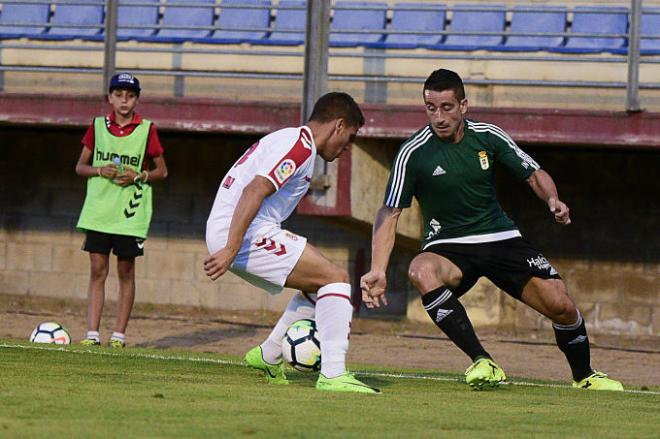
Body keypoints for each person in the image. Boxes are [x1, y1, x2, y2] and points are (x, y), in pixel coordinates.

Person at [360, 69, 623, 391]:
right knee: (420, 269)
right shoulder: (412, 152)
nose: (439, 116)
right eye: (431, 108)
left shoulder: (488, 135)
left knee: (562, 306)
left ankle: (585, 376)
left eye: (447, 107)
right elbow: (390, 212)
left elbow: (532, 173)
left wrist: (552, 199)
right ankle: (482, 360)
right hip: (448, 245)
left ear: (463, 106)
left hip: (500, 238)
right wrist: (378, 269)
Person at [204, 92, 379, 394]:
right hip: (242, 232)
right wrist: (231, 247)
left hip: (239, 229)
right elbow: (254, 191)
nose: (347, 148)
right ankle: (334, 374)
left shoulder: (293, 141)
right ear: (338, 126)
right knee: (336, 278)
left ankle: (269, 355)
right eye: (349, 138)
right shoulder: (300, 147)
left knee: (317, 285)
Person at [75, 73, 168, 348]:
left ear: (137, 99)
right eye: (118, 95)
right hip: (99, 210)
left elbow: (161, 171)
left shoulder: (147, 129)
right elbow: (80, 167)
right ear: (110, 98)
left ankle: (119, 335)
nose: (123, 101)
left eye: (129, 96)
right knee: (97, 269)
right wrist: (99, 170)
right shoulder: (97, 126)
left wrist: (138, 176)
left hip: (130, 213)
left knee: (126, 271)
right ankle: (92, 334)